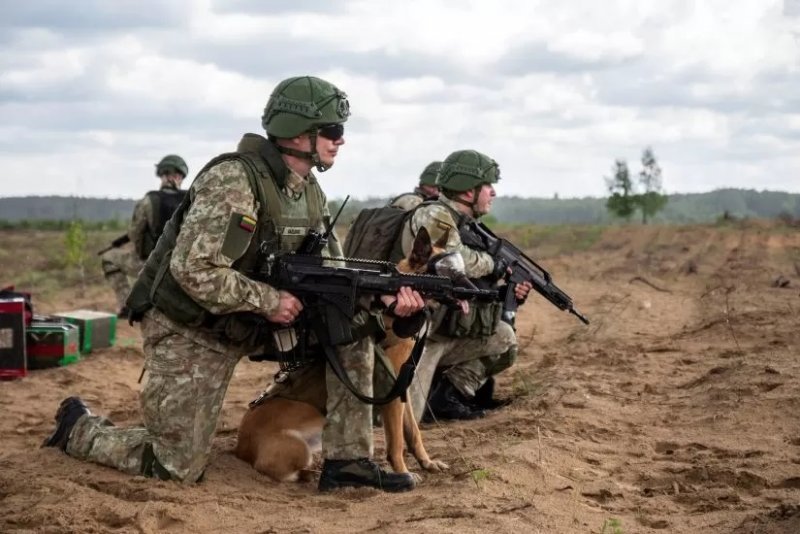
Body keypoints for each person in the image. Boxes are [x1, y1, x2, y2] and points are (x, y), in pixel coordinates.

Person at [43, 75, 424, 492]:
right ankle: (78, 430)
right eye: (333, 130)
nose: (341, 140)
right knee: (175, 465)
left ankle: (348, 462)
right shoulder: (234, 181)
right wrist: (268, 300)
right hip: (191, 328)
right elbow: (194, 270)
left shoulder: (307, 191)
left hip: (251, 320)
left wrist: (382, 294)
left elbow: (334, 269)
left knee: (352, 330)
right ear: (299, 133)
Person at [398, 149, 532, 422]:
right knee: (404, 422)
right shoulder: (434, 213)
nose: (493, 193)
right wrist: (492, 263)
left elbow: (466, 284)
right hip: (411, 335)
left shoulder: (465, 224)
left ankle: (447, 397)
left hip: (440, 331)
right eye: (488, 186)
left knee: (504, 338)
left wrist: (505, 292)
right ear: (468, 192)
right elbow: (454, 260)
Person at [100, 155, 188, 317]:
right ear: (181, 176)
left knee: (108, 258)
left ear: (162, 175)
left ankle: (127, 306)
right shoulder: (192, 200)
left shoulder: (149, 200)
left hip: (154, 265)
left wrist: (142, 254)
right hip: (185, 268)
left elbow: (135, 234)